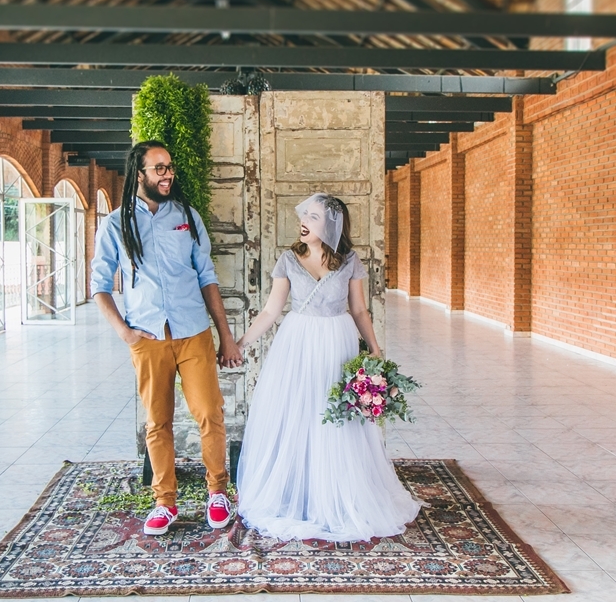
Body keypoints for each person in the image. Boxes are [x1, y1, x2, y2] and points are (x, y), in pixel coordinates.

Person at [235, 193, 421, 542]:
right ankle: (300, 494)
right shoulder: (289, 260)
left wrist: (376, 353)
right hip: (299, 342)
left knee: (337, 417)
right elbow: (271, 312)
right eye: (305, 214)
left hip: (338, 341)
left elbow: (360, 311)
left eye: (314, 216)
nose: (304, 220)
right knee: (299, 412)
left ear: (332, 225)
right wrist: (241, 343)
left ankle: (340, 492)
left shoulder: (349, 261)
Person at [90, 141, 243, 537]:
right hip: (148, 337)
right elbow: (99, 286)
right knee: (157, 422)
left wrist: (226, 337)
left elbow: (207, 277)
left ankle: (217, 493)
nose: (167, 174)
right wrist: (125, 332)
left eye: (169, 167)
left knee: (210, 412)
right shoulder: (114, 224)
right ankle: (165, 502)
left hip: (193, 331)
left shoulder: (186, 217)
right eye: (158, 168)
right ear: (138, 173)